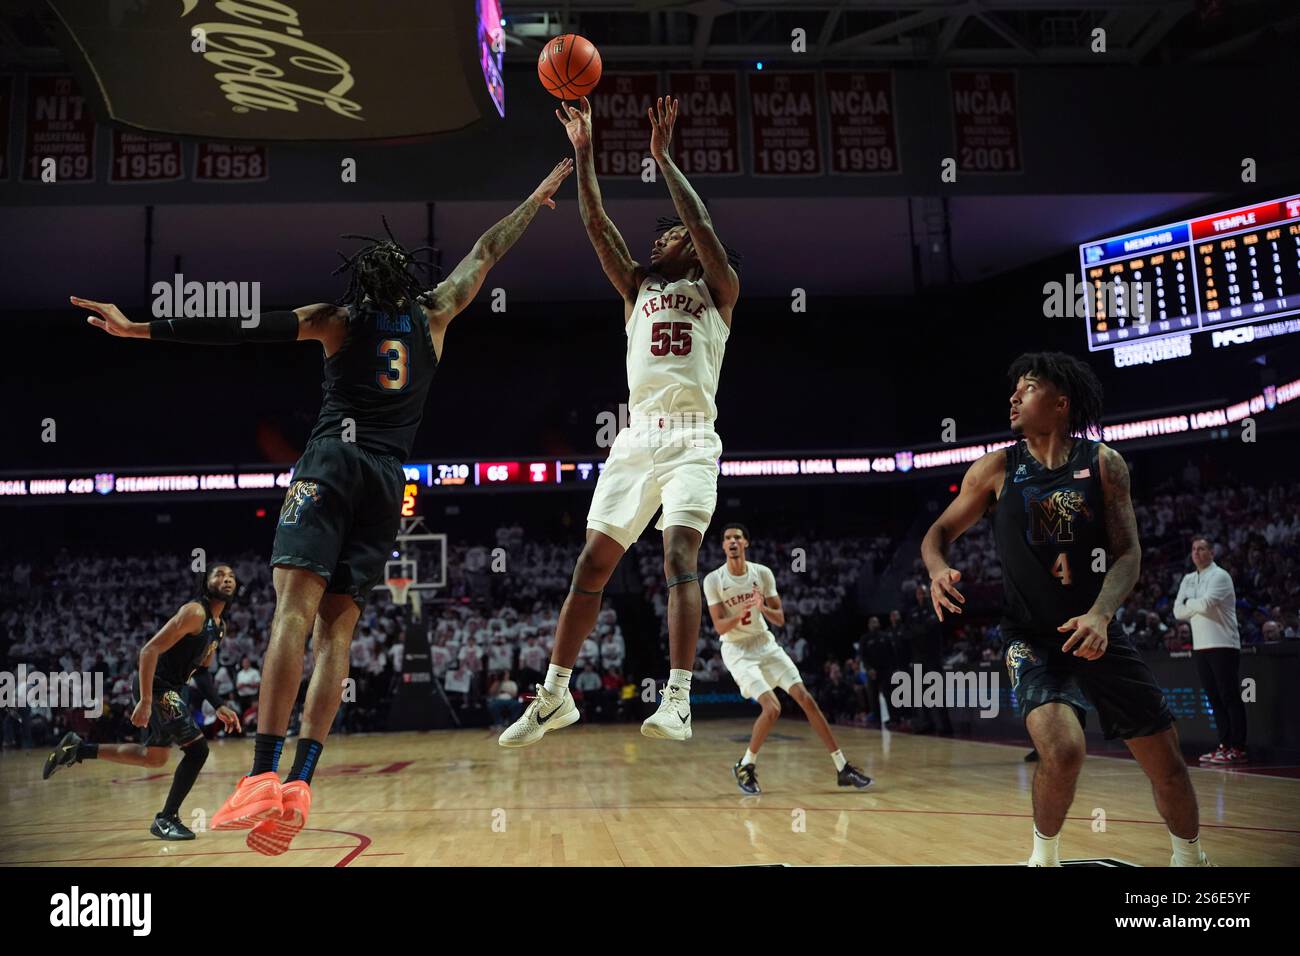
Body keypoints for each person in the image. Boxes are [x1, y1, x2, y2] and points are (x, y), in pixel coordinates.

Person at [73, 158, 573, 855]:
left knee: (292, 616)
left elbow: (241, 327)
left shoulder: (336, 319)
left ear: (360, 281)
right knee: (338, 636)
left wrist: (136, 330)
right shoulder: (436, 314)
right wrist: (540, 192)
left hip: (333, 465)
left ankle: (262, 775)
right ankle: (303, 782)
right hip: (386, 486)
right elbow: (487, 249)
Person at [500, 96, 742, 748]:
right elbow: (596, 221)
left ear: (692, 248)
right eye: (662, 235)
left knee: (679, 554)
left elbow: (699, 221)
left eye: (672, 235)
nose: (660, 237)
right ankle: (555, 695)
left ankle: (680, 698)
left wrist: (663, 159)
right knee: (593, 566)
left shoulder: (719, 291)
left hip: (693, 439)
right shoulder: (638, 287)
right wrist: (585, 154)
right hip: (637, 438)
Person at [921, 351, 1209, 867]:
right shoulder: (995, 468)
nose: (1013, 396)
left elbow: (1127, 552)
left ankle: (1191, 861)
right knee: (1064, 750)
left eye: (1026, 388)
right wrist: (938, 568)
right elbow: (937, 533)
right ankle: (1043, 857)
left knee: (1166, 761)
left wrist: (1100, 613)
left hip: (1094, 630)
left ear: (1060, 403)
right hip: (1030, 638)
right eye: (1014, 389)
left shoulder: (1103, 463)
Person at [43, 564, 243, 841]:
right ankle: (166, 818)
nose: (227, 579)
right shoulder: (195, 612)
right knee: (197, 751)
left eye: (231, 576)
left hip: (173, 689)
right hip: (158, 686)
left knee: (154, 758)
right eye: (219, 575)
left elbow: (204, 670)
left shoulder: (219, 627)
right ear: (206, 582)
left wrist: (219, 704)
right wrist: (147, 700)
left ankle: (77, 750)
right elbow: (149, 649)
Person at [704, 523, 872, 794]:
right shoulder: (714, 580)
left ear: (746, 543)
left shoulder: (762, 573)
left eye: (737, 537)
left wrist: (762, 608)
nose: (732, 541)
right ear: (724, 546)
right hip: (737, 650)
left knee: (806, 699)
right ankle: (746, 764)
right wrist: (742, 612)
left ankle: (842, 767)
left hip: (765, 644)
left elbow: (780, 618)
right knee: (772, 708)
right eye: (727, 538)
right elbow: (720, 626)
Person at [1175, 537, 1246, 764]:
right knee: (1214, 698)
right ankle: (1224, 745)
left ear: (1211, 553)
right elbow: (1177, 612)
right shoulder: (1188, 578)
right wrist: (1194, 604)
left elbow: (1204, 605)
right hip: (1201, 646)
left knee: (1229, 696)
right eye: (1194, 549)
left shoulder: (1220, 576)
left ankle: (1238, 748)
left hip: (1223, 643)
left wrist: (1190, 603)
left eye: (1202, 548)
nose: (1197, 552)